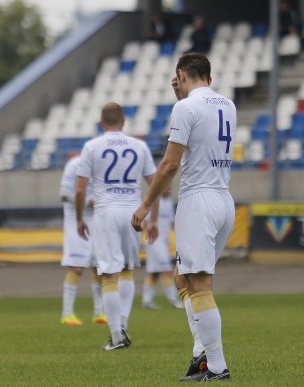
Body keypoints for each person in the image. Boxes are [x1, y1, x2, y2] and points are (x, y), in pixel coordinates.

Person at [131, 52, 236, 381]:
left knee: (200, 283)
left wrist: (146, 204)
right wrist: (183, 95)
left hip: (198, 200)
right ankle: (199, 354)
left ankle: (216, 366)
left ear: (181, 73)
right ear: (208, 75)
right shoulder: (228, 105)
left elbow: (171, 164)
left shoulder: (185, 107)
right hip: (224, 200)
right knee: (182, 278)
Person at [75, 102, 159, 351]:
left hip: (106, 211)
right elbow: (156, 186)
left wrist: (79, 218)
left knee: (108, 273)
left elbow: (80, 190)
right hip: (133, 211)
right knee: (126, 270)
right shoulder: (139, 146)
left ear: (101, 123)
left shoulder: (92, 147)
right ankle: (122, 324)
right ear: (123, 122)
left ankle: (116, 334)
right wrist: (153, 220)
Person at [59, 154, 107, 326]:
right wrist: (87, 202)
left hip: (97, 219)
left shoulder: (104, 165)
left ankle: (99, 313)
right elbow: (64, 194)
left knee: (98, 267)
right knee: (77, 267)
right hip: (75, 218)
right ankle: (67, 313)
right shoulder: (74, 164)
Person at [141, 186, 183, 310]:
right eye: (166, 188)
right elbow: (145, 223)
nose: (169, 190)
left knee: (154, 273)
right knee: (167, 269)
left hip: (164, 241)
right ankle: (173, 300)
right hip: (154, 240)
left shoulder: (169, 204)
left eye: (170, 188)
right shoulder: (152, 201)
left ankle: (147, 301)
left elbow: (171, 224)